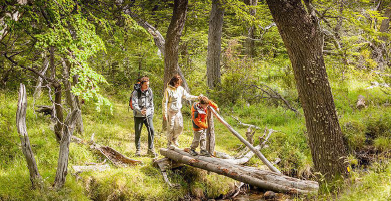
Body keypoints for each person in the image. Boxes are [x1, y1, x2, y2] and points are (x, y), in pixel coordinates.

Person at [162, 75, 200, 148]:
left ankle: (175, 138)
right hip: (171, 111)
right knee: (171, 127)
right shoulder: (168, 90)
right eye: (177, 83)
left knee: (180, 126)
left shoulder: (180, 89)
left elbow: (187, 96)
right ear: (173, 82)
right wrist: (164, 113)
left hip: (178, 111)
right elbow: (164, 102)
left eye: (179, 83)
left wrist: (197, 97)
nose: (178, 84)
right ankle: (169, 142)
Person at [131, 76, 156, 157]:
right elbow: (134, 104)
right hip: (138, 115)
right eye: (146, 85)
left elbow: (151, 102)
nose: (147, 86)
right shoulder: (136, 92)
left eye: (148, 84)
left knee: (151, 130)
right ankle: (138, 150)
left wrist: (151, 112)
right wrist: (140, 111)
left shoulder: (150, 91)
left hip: (148, 114)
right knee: (138, 132)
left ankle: (150, 150)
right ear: (141, 84)